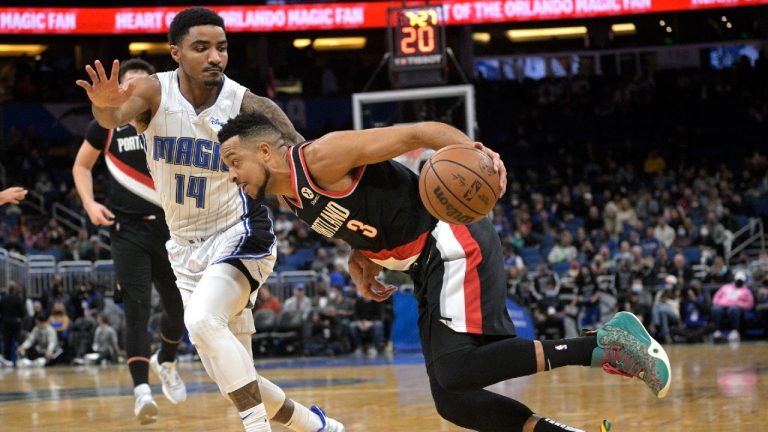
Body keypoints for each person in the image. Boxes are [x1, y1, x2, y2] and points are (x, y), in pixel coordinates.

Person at [218, 113, 672, 432]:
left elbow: (418, 131)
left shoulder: (320, 157)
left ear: (265, 150)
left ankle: (605, 344)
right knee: (453, 399)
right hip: (423, 263)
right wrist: (361, 258)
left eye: (234, 163)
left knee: (455, 370)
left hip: (448, 235)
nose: (232, 176)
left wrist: (474, 155)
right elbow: (360, 217)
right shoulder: (289, 196)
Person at [76, 8, 343, 432]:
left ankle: (257, 429)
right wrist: (103, 106)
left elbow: (304, 164)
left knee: (200, 321)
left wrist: (354, 235)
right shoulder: (153, 91)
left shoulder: (248, 104)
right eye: (201, 48)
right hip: (184, 246)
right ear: (176, 52)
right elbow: (112, 118)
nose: (214, 56)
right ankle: (321, 427)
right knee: (235, 379)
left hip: (238, 232)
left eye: (221, 47)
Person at [73, 58, 187, 425]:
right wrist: (89, 203)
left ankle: (166, 361)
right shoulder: (105, 127)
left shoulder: (171, 119)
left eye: (142, 83)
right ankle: (141, 391)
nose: (135, 90)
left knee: (180, 311)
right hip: (127, 231)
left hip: (173, 230)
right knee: (136, 307)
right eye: (128, 85)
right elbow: (80, 166)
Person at [711, 271, 754, 342]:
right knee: (715, 309)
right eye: (738, 280)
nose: (739, 282)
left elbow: (749, 304)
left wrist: (738, 304)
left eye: (740, 281)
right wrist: (720, 303)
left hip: (736, 308)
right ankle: (717, 331)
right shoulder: (725, 287)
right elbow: (716, 298)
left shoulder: (746, 291)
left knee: (733, 309)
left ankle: (735, 331)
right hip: (722, 306)